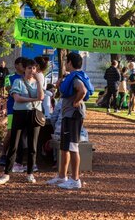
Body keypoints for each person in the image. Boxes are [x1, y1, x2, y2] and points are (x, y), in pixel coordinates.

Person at [46, 52, 94, 189]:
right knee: (64, 147)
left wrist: (76, 102)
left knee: (73, 147)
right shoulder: (71, 77)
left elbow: (82, 90)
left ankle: (75, 179)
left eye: (66, 61)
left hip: (73, 115)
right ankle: (62, 176)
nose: (65, 64)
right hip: (68, 115)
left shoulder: (76, 78)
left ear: (70, 63)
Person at [0, 58, 44, 185]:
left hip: (34, 115)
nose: (32, 70)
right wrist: (33, 99)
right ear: (25, 69)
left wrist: (39, 82)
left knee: (32, 145)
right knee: (14, 144)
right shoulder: (17, 81)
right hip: (19, 114)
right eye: (29, 68)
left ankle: (30, 173)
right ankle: (6, 173)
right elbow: (17, 98)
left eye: (34, 68)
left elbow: (41, 97)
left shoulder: (38, 82)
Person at [0, 57, 26, 167]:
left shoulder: (28, 77)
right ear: (17, 65)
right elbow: (9, 89)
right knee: (10, 132)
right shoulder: (10, 77)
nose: (24, 67)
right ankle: (3, 155)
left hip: (25, 108)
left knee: (23, 133)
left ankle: (20, 157)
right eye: (23, 65)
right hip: (13, 109)